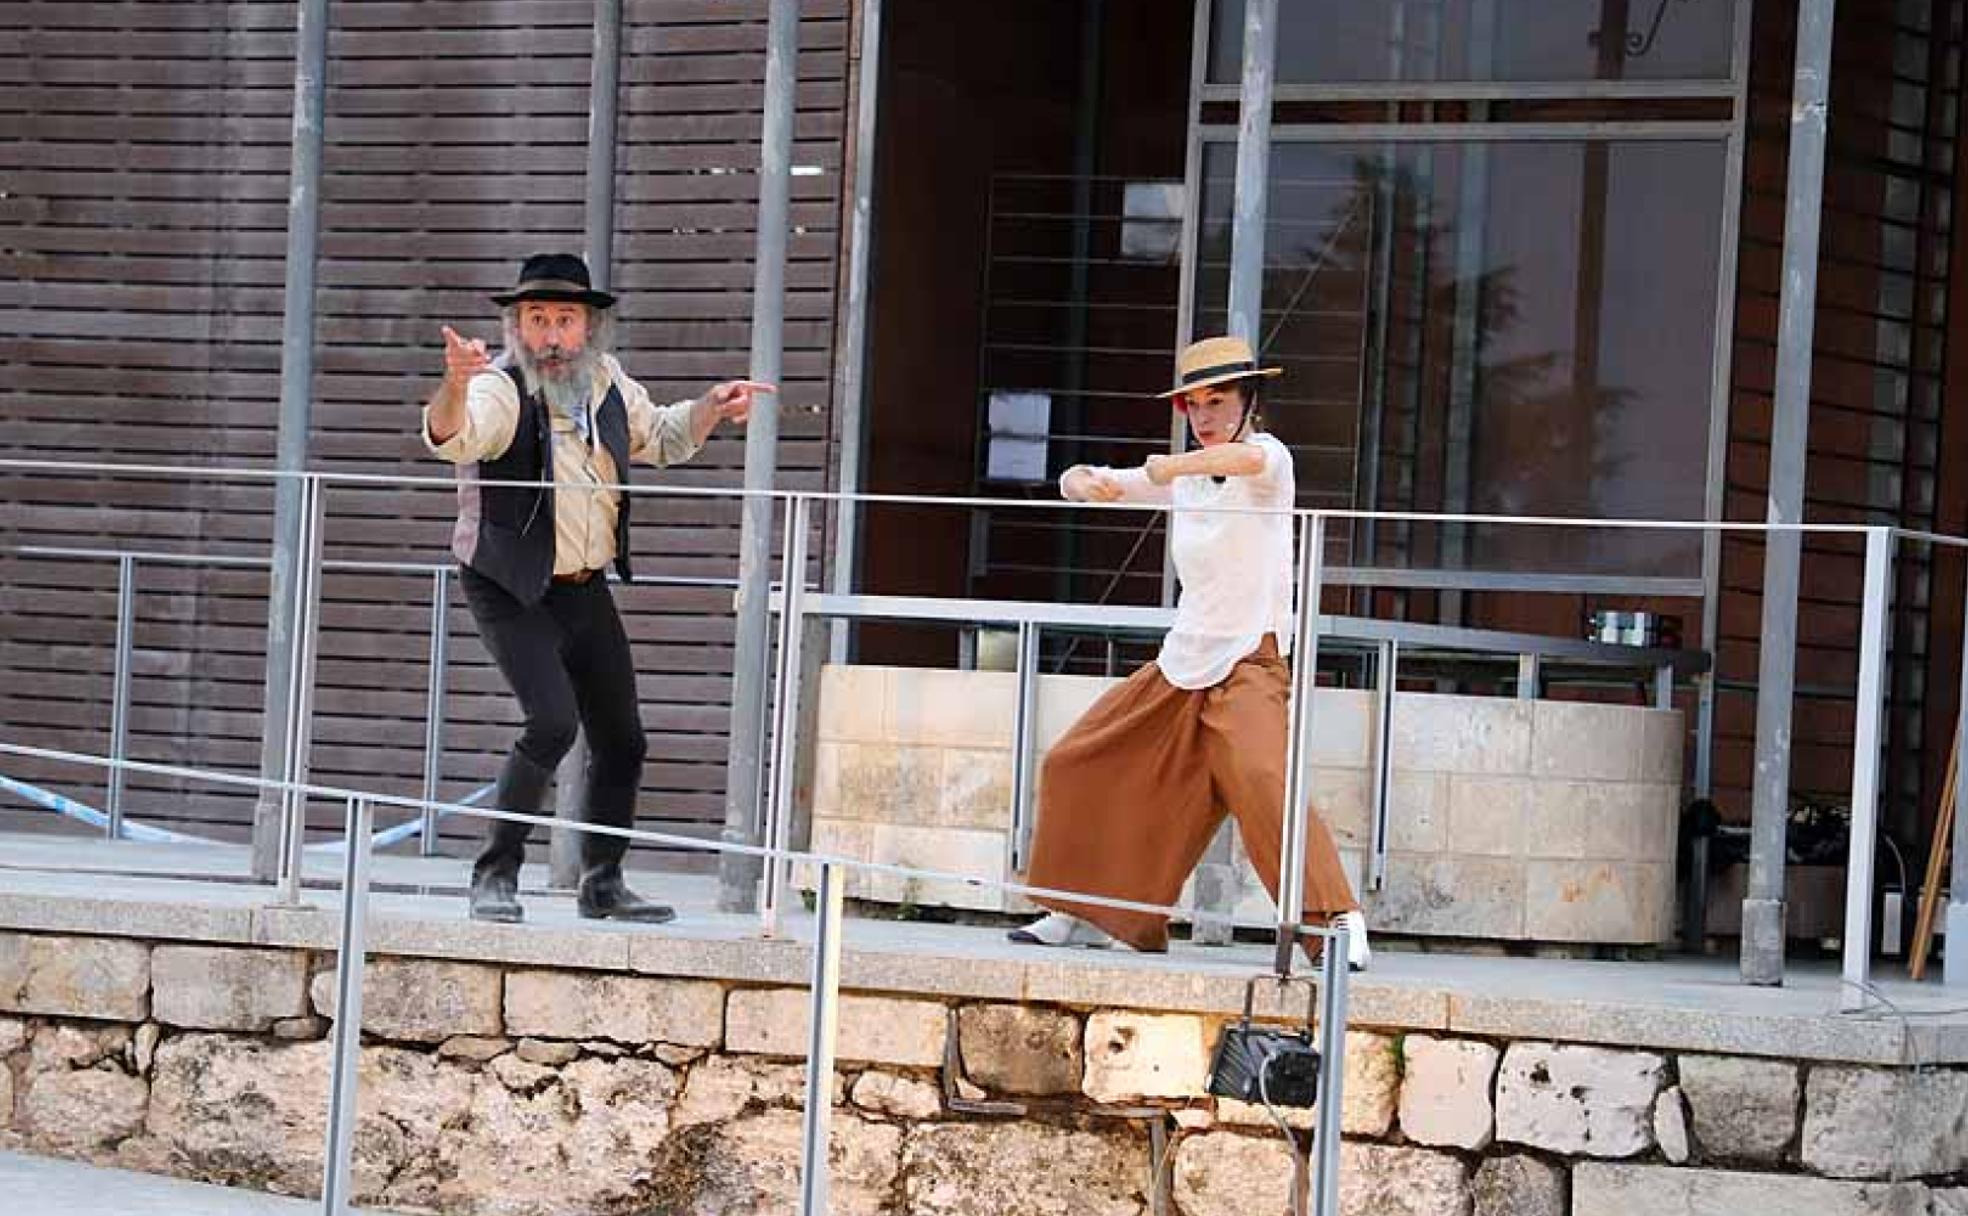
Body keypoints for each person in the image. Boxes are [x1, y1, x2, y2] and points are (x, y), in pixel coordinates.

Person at [422, 252, 768, 924]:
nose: (551, 336)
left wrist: (710, 408)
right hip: (509, 581)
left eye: (565, 321)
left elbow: (662, 437)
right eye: (537, 319)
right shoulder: (496, 385)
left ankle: (602, 881)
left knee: (623, 737)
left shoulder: (606, 381)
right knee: (551, 722)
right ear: (517, 326)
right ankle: (493, 877)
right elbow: (454, 435)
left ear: (589, 329)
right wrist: (455, 386)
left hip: (583, 584)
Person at [1008, 335, 1371, 971]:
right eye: (1191, 406)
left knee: (1264, 780)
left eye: (1216, 401)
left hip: (1249, 663)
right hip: (1182, 663)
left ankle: (1338, 923)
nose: (1203, 416)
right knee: (1075, 759)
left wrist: (1169, 469)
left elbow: (1243, 465)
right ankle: (1073, 908)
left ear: (1247, 400)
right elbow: (1101, 485)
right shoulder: (1189, 481)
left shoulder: (1268, 458)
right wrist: (1080, 479)